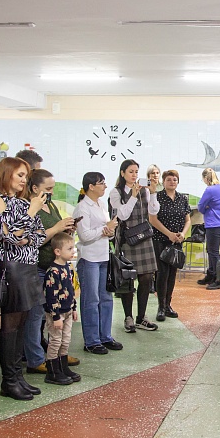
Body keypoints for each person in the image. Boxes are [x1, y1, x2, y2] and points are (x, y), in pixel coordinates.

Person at [0, 157, 46, 401]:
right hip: (11, 268)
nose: (24, 180)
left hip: (28, 266)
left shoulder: (22, 203)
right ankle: (8, 380)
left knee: (22, 322)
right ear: (6, 174)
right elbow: (9, 236)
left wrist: (25, 234)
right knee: (10, 324)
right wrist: (29, 216)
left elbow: (39, 235)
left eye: (25, 176)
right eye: (20, 175)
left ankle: (17, 376)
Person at [24, 169, 77, 373]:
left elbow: (55, 233)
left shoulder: (50, 204)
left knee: (53, 314)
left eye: (53, 188)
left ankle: (55, 353)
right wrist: (57, 228)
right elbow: (32, 240)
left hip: (54, 269)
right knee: (36, 315)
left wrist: (66, 230)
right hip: (38, 268)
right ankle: (35, 358)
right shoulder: (30, 208)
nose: (51, 192)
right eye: (48, 188)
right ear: (34, 188)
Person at [109, 160, 160, 332]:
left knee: (146, 278)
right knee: (128, 279)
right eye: (131, 171)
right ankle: (128, 317)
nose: (134, 175)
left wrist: (153, 193)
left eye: (136, 171)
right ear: (122, 173)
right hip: (126, 239)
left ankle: (141, 317)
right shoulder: (116, 192)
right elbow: (122, 215)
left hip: (144, 237)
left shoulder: (144, 190)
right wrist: (132, 196)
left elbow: (153, 212)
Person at [74, 171, 121, 354]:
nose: (105, 186)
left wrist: (109, 231)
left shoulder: (101, 204)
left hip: (103, 256)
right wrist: (105, 229)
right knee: (91, 300)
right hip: (89, 258)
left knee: (106, 298)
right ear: (91, 186)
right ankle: (91, 341)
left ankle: (105, 336)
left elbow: (104, 229)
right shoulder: (82, 207)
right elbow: (84, 235)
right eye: (101, 183)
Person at [149, 169, 191, 321]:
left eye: (174, 179)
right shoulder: (157, 197)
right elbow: (153, 219)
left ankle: (168, 305)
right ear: (163, 181)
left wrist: (183, 233)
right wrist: (168, 234)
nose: (172, 182)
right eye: (169, 179)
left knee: (173, 273)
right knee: (162, 273)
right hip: (160, 239)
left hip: (177, 241)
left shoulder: (182, 198)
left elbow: (188, 220)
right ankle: (161, 306)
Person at [42, 232, 81, 385]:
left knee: (65, 340)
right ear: (57, 251)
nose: (73, 251)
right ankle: (52, 371)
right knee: (55, 341)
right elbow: (51, 296)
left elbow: (71, 290)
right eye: (69, 249)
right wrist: (56, 316)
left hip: (68, 311)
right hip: (57, 314)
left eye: (73, 248)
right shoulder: (53, 272)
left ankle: (63, 367)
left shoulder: (68, 268)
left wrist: (74, 307)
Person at [197, 168, 220, 290]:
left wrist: (206, 208)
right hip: (219, 222)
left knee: (213, 252)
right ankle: (211, 275)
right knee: (211, 251)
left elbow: (200, 206)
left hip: (212, 223)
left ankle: (218, 279)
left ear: (206, 178)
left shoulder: (210, 189)